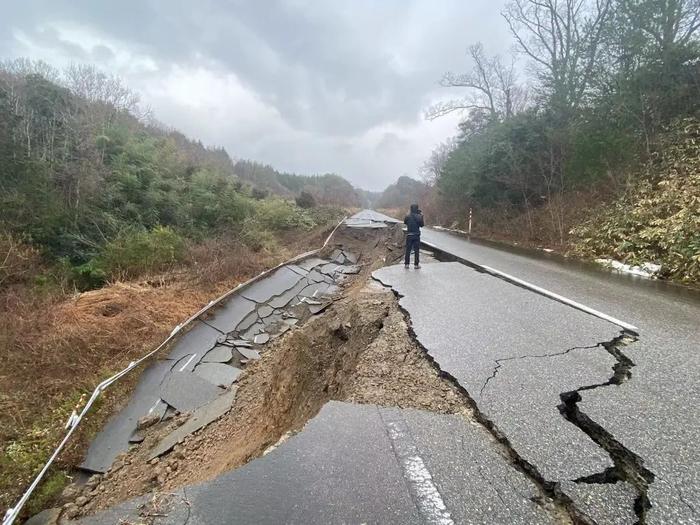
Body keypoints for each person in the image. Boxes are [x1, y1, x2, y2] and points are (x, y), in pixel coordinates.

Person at [404, 203, 424, 269]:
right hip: (416, 235)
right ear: (417, 209)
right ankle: (416, 265)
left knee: (408, 250)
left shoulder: (407, 216)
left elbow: (405, 222)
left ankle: (406, 264)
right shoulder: (419, 216)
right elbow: (422, 225)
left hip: (409, 235)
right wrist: (421, 216)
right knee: (416, 250)